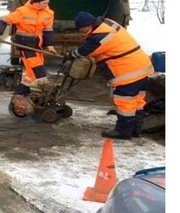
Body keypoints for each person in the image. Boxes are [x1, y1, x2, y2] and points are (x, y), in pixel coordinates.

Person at [64, 11, 154, 140]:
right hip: (141, 67)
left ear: (86, 26)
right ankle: (136, 129)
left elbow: (84, 51)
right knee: (137, 101)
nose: (81, 32)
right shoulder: (107, 23)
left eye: (81, 29)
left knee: (125, 103)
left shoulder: (98, 36)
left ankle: (123, 132)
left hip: (127, 72)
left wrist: (70, 54)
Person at [0, 0, 57, 114]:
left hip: (37, 46)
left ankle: (20, 95)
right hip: (25, 45)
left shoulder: (48, 13)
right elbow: (3, 21)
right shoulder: (22, 11)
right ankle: (42, 88)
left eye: (47, 3)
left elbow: (48, 30)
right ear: (36, 3)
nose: (46, 5)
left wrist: (49, 45)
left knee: (31, 74)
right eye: (44, 3)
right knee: (38, 70)